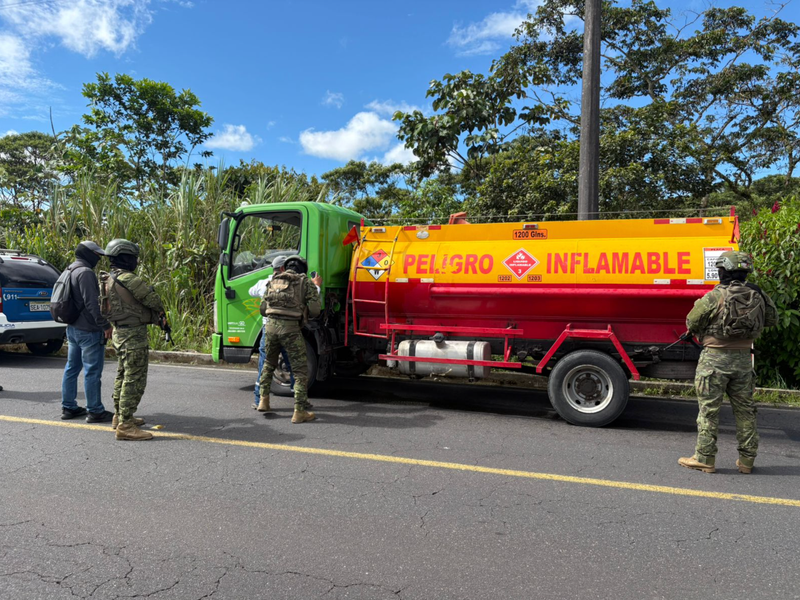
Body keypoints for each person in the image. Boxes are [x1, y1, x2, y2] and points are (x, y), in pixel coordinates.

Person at [679, 251, 777, 474]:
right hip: (743, 360)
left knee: (709, 411)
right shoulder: (757, 293)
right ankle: (746, 462)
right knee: (745, 412)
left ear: (723, 270)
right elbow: (772, 319)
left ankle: (705, 458)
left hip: (714, 361)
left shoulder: (714, 296)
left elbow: (691, 321)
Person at [101, 239, 165, 441]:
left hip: (120, 333)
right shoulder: (129, 279)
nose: (136, 261)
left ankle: (119, 416)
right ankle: (126, 425)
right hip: (133, 335)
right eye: (134, 257)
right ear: (126, 258)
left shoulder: (108, 278)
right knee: (134, 378)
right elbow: (153, 300)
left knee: (122, 374)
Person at [257, 255, 322, 423]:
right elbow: (315, 310)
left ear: (285, 268)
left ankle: (264, 401)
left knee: (269, 365)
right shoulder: (305, 282)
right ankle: (299, 411)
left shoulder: (274, 280)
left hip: (270, 329)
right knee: (300, 371)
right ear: (303, 270)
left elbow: (263, 309)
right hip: (291, 330)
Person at [60, 241, 114, 422]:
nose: (98, 258)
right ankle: (95, 410)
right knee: (92, 371)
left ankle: (68, 407)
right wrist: (105, 325)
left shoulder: (69, 269)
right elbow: (92, 303)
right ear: (87, 254)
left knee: (72, 368)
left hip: (72, 327)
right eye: (96, 255)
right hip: (88, 330)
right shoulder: (85, 273)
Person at [249, 256, 294, 410]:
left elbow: (251, 291)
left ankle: (259, 399)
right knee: (293, 364)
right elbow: (311, 294)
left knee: (265, 365)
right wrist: (317, 285)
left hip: (268, 330)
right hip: (286, 329)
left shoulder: (265, 283)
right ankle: (299, 402)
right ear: (283, 268)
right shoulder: (293, 283)